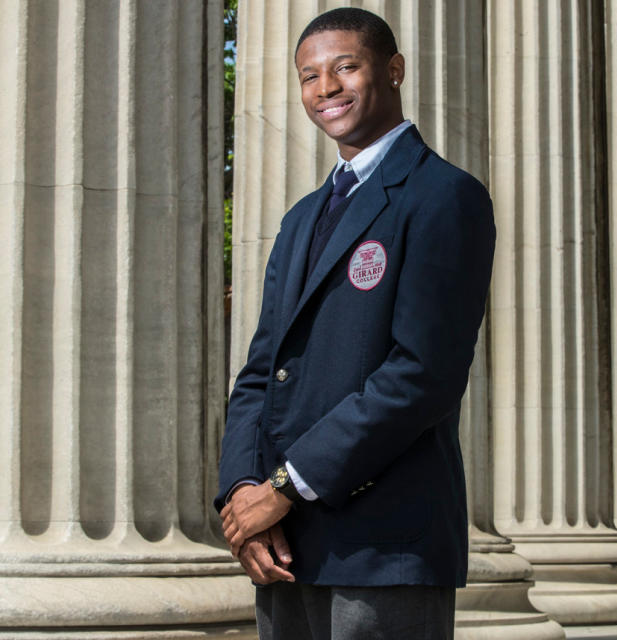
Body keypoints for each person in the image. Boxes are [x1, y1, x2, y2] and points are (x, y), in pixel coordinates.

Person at [215, 7, 495, 639]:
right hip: (285, 543)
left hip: (385, 544)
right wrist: (241, 493)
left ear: (392, 70)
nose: (326, 89)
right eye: (309, 76)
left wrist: (285, 486)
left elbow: (422, 374)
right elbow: (262, 370)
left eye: (346, 67)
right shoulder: (301, 218)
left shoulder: (444, 196)